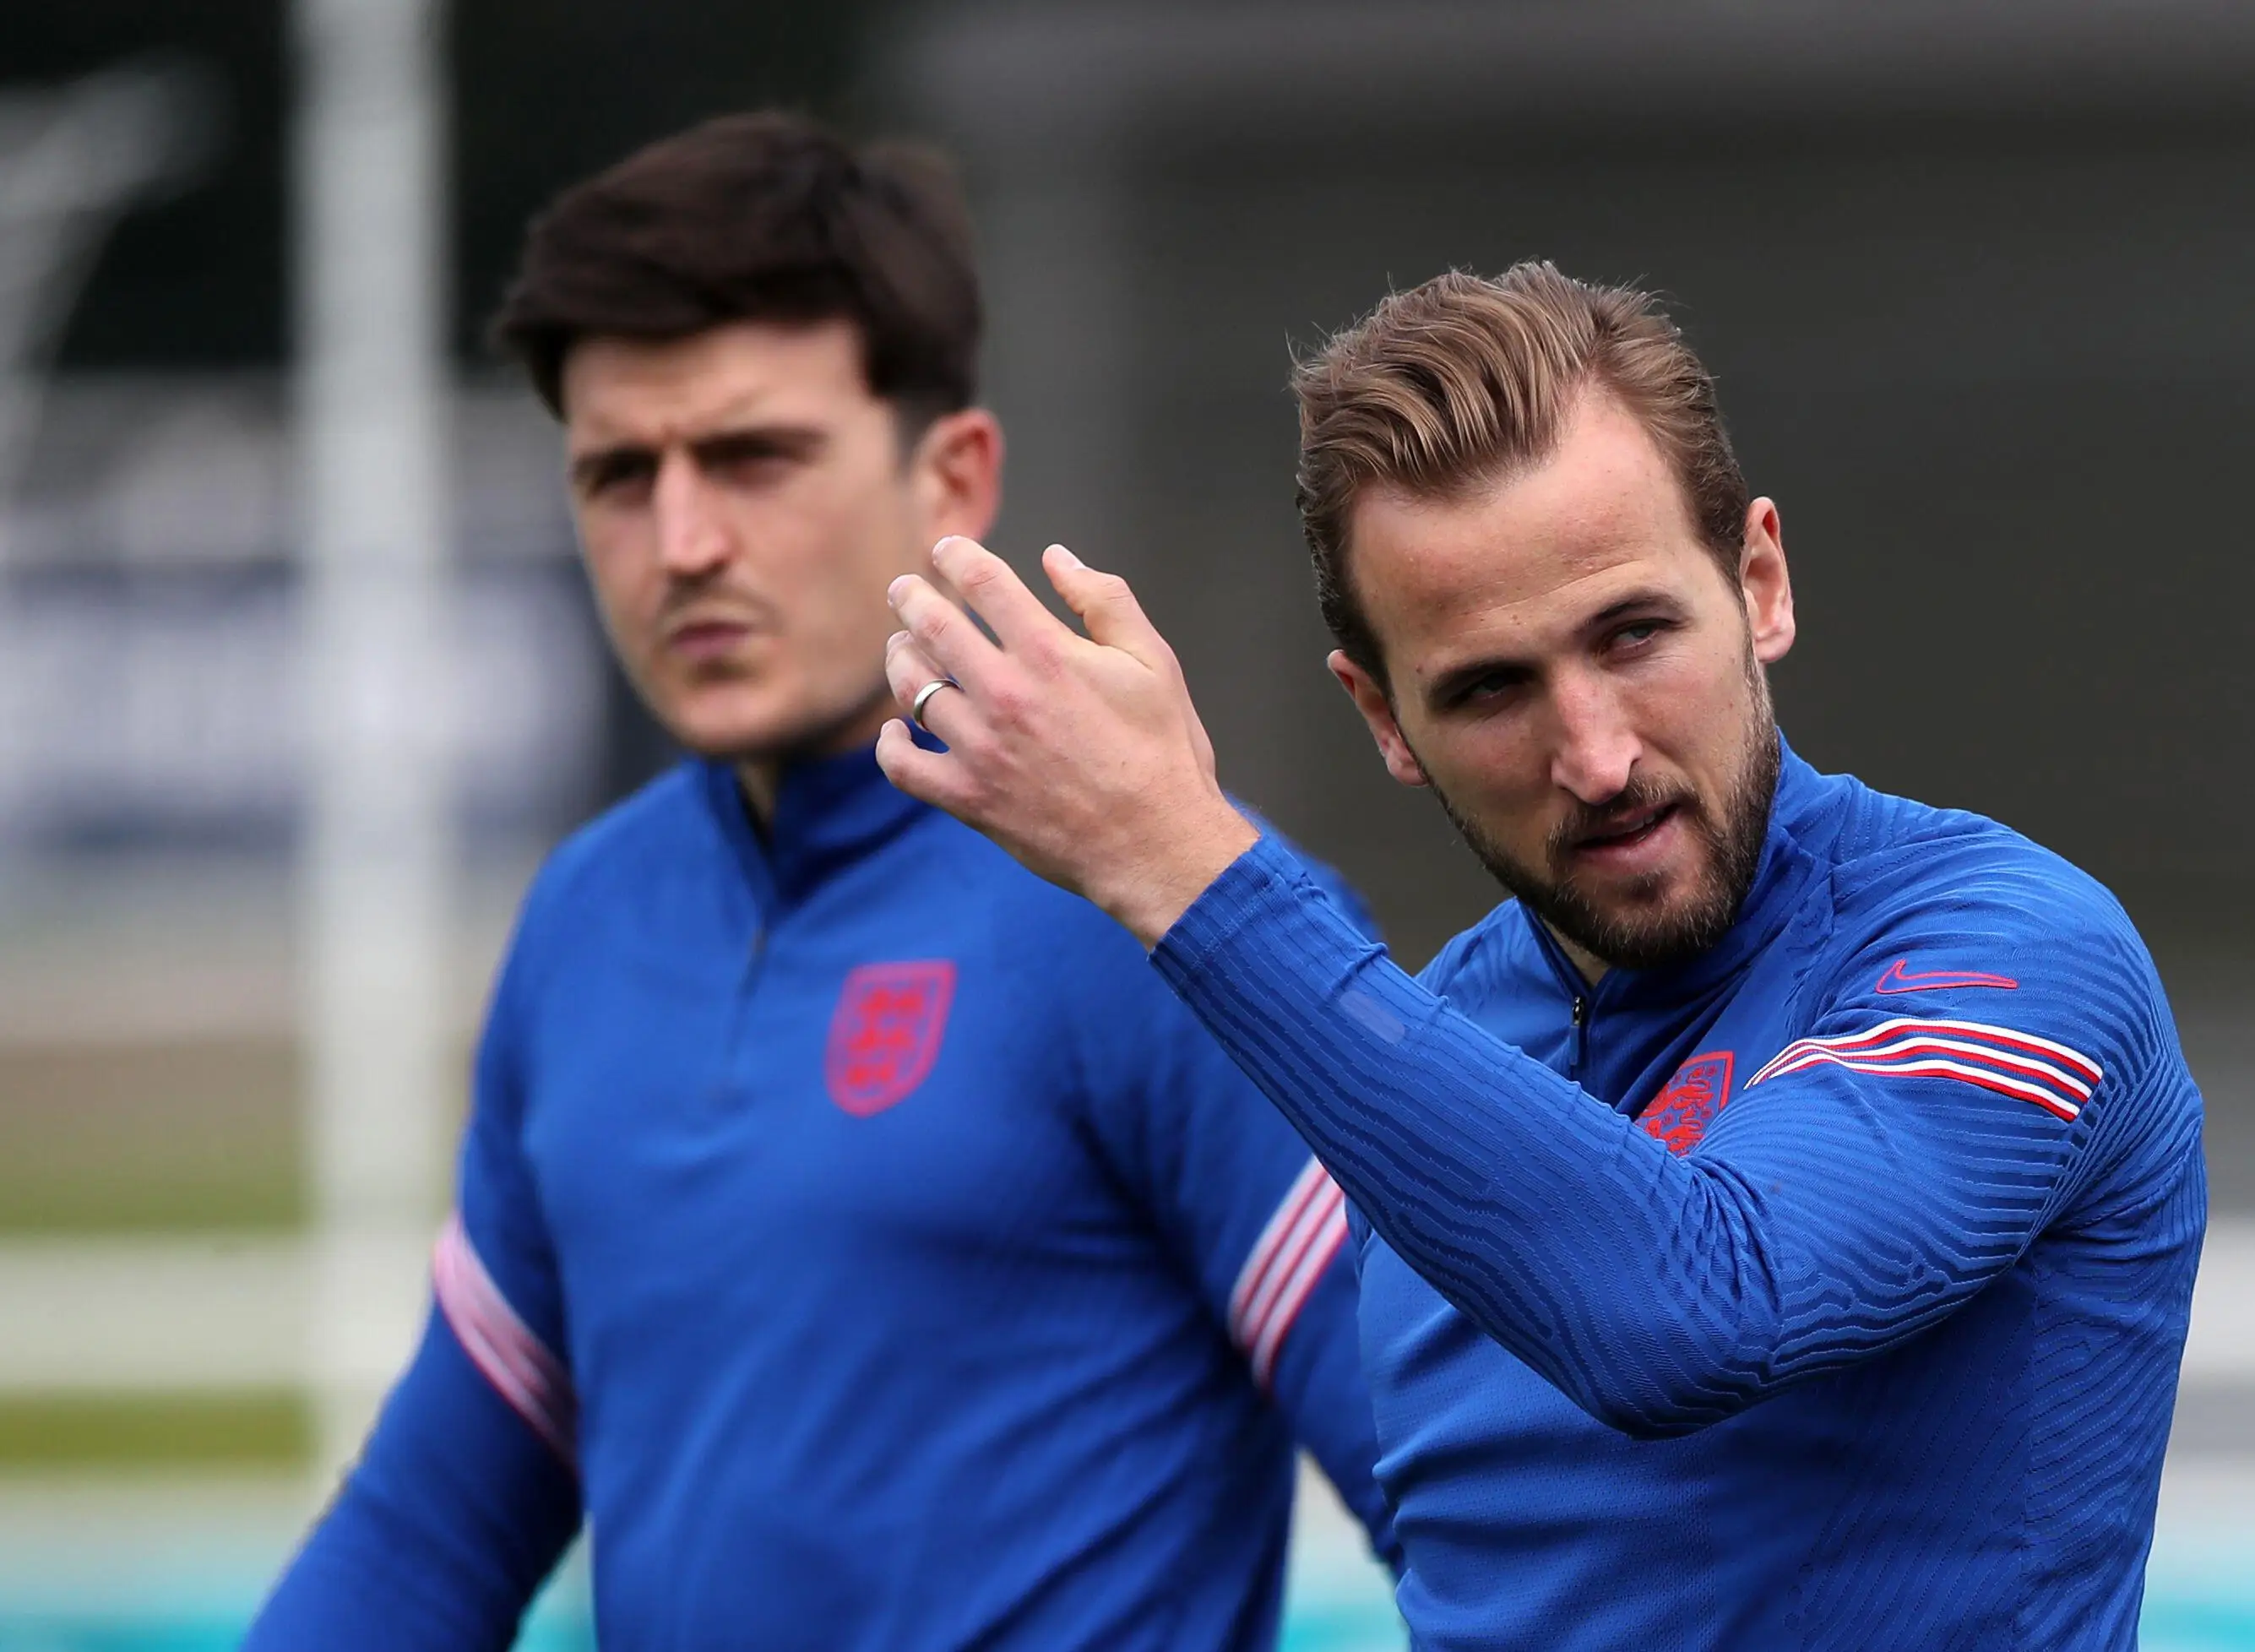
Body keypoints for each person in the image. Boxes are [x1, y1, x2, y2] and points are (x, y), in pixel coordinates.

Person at [876, 261, 2206, 1649]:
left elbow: (1700, 1312)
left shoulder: (2010, 946)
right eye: (1491, 689)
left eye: (1633, 636)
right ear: (1383, 719)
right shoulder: (1426, 1042)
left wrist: (1177, 859)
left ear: (1758, 581)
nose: (1598, 755)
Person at [245, 112, 1394, 1652]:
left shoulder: (1170, 911)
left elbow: (1466, 1491)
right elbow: (425, 1537)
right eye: (617, 473)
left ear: (956, 476)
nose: (683, 540)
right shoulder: (589, 923)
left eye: (752, 456)